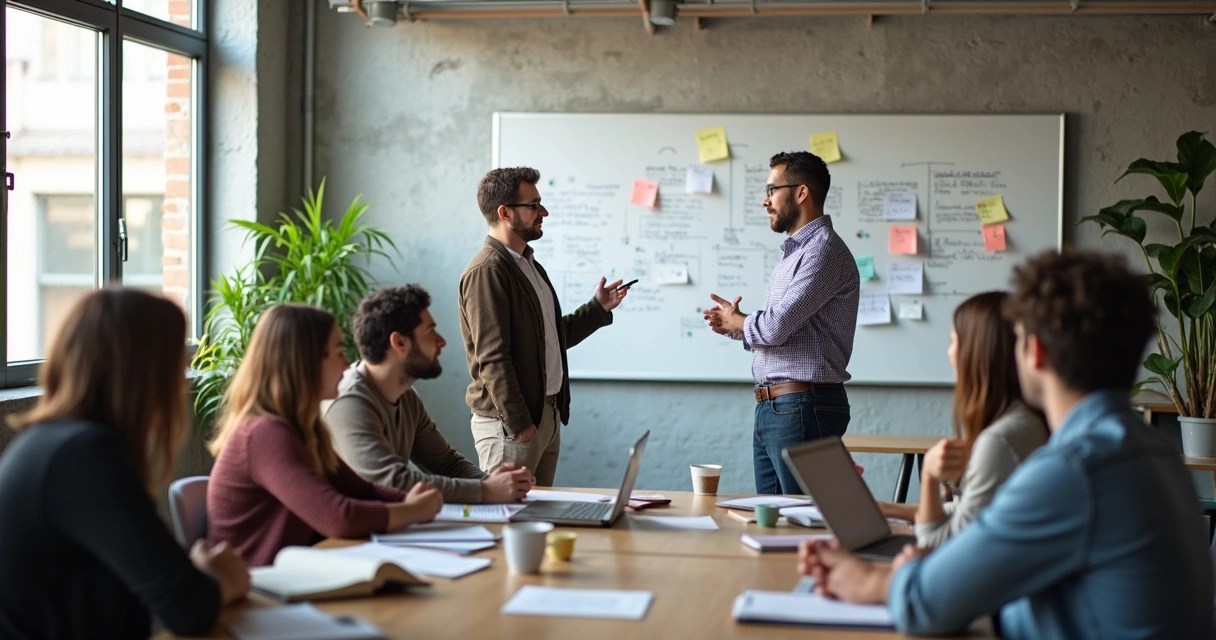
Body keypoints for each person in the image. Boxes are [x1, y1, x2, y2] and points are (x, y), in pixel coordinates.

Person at [798, 251, 1215, 639]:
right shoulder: (1155, 451)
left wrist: (866, 578)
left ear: (1033, 351)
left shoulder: (1073, 470)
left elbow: (925, 606)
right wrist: (935, 571)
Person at [0, 289, 249, 639]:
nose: (182, 377)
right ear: (145, 371)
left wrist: (198, 576)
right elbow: (187, 608)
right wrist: (225, 578)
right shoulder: (84, 456)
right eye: (177, 360)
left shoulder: (52, 442)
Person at [207, 303, 443, 567]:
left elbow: (361, 491)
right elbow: (338, 517)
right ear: (306, 361)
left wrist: (417, 501)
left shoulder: (302, 429)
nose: (346, 365)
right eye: (339, 352)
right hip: (257, 593)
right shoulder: (264, 434)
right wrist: (412, 510)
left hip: (292, 576)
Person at [459, 166, 628, 486]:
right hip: (511, 425)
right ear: (505, 212)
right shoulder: (487, 271)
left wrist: (597, 309)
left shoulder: (528, 266)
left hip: (544, 417)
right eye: (533, 205)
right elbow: (493, 357)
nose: (543, 212)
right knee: (507, 524)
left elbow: (547, 338)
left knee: (537, 520)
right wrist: (520, 423)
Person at [704, 151, 860, 495]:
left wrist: (741, 321)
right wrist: (735, 325)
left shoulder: (822, 251)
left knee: (803, 523)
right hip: (780, 407)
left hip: (802, 406)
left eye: (772, 189)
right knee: (775, 526)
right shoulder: (797, 253)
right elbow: (786, 332)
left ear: (801, 193)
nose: (765, 200)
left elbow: (774, 328)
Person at [326, 285, 534, 503]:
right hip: (347, 536)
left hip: (390, 527)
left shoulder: (405, 396)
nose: (441, 341)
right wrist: (486, 491)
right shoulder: (348, 401)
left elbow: (445, 463)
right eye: (430, 331)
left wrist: (495, 483)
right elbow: (390, 481)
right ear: (399, 342)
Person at [876, 291, 1047, 547]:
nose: (949, 353)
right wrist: (887, 508)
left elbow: (936, 543)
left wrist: (929, 478)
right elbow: (967, 512)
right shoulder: (1026, 420)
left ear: (977, 351)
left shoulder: (1000, 441)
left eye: (953, 341)